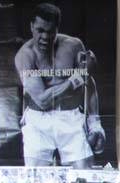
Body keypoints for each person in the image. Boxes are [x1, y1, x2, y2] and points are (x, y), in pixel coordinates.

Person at [14, 3, 105, 167]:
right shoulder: (25, 56)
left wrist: (95, 122)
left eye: (50, 31)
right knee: (35, 178)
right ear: (31, 26)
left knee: (83, 175)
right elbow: (42, 100)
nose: (45, 37)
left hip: (71, 117)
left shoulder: (74, 46)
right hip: (38, 122)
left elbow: (89, 82)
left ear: (57, 28)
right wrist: (77, 78)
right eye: (40, 30)